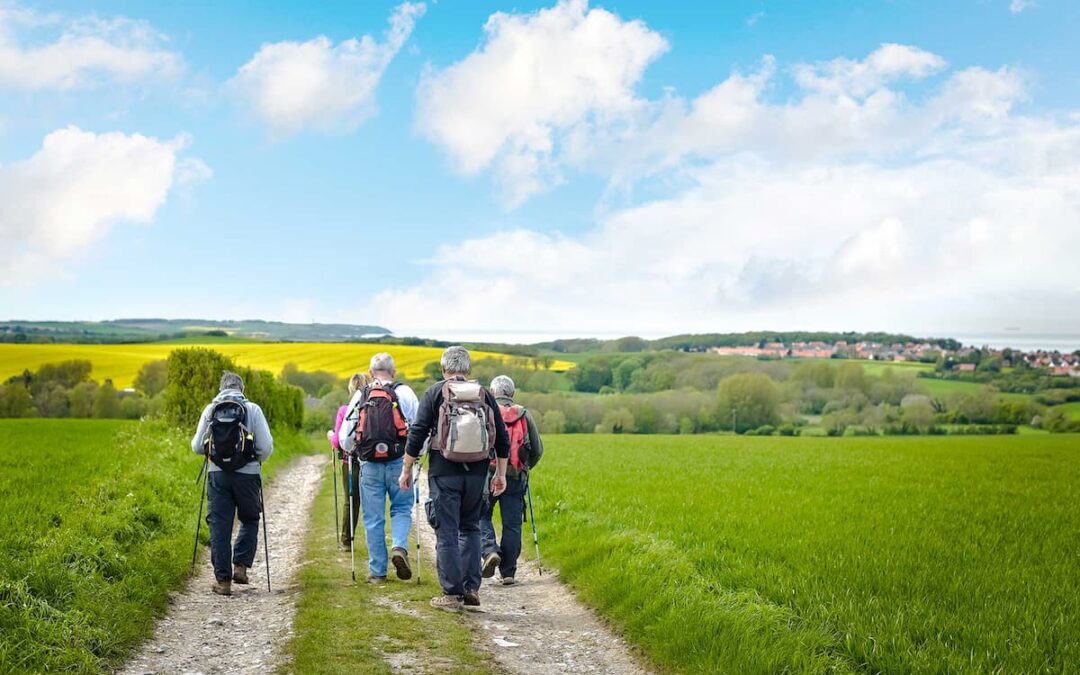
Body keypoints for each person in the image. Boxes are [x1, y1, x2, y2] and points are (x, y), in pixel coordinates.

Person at [400, 346, 509, 612]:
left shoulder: (435, 392)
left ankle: (451, 595)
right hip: (478, 473)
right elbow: (502, 439)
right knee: (470, 527)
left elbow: (417, 434)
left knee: (446, 532)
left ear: (443, 368)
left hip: (444, 472)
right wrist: (501, 474)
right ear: (468, 369)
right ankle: (471, 589)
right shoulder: (483, 394)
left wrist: (406, 469)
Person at [191, 371, 273, 596]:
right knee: (249, 518)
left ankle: (223, 582)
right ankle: (241, 566)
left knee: (219, 525)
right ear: (242, 388)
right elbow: (266, 447)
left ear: (221, 388)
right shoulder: (253, 409)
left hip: (218, 475)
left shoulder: (211, 409)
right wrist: (255, 460)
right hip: (248, 476)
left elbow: (197, 446)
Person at [339, 353, 419, 583]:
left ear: (371, 372)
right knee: (402, 509)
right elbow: (419, 429)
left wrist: (355, 451)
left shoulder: (361, 394)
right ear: (393, 372)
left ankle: (377, 572)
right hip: (399, 463)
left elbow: (346, 438)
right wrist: (415, 457)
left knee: (373, 518)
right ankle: (399, 548)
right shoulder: (405, 393)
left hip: (370, 465)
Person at [480, 375, 544, 585]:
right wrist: (524, 469)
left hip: (488, 475)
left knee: (481, 515)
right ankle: (508, 573)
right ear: (512, 393)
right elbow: (537, 450)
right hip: (516, 477)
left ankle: (489, 551)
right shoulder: (524, 415)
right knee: (512, 525)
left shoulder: (485, 411)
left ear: (491, 392)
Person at [328, 373, 371, 548]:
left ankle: (346, 540)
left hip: (350, 461)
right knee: (372, 501)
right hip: (371, 460)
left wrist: (330, 435)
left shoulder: (344, 410)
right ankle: (374, 542)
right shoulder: (373, 408)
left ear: (352, 388)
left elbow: (339, 442)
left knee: (351, 499)